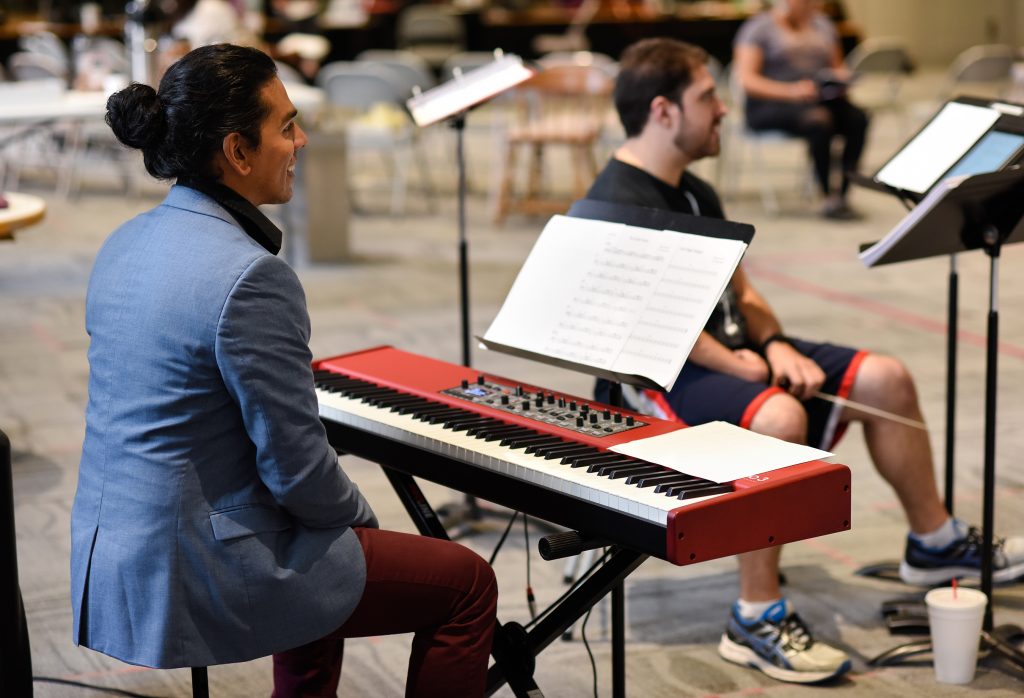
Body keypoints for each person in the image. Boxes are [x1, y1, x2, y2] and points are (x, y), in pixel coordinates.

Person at [586, 37, 1024, 684]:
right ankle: (755, 615)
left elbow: (744, 290)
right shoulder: (616, 200)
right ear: (664, 111)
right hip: (653, 377)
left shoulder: (696, 189)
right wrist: (746, 369)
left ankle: (932, 543)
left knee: (886, 378)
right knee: (780, 419)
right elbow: (645, 331)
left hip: (733, 357)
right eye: (709, 97)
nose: (724, 110)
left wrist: (776, 344)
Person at [70, 44, 497, 698]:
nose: (301, 140)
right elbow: (296, 467)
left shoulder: (123, 241)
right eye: (286, 126)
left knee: (312, 539)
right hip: (195, 562)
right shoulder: (250, 278)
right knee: (465, 583)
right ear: (237, 152)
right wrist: (359, 520)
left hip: (111, 547)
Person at [733, 0, 868, 219]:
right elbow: (747, 80)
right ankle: (826, 195)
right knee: (820, 121)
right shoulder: (758, 28)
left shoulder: (823, 25)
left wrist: (841, 80)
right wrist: (790, 91)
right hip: (771, 103)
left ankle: (843, 192)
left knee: (858, 118)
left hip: (815, 98)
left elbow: (836, 66)